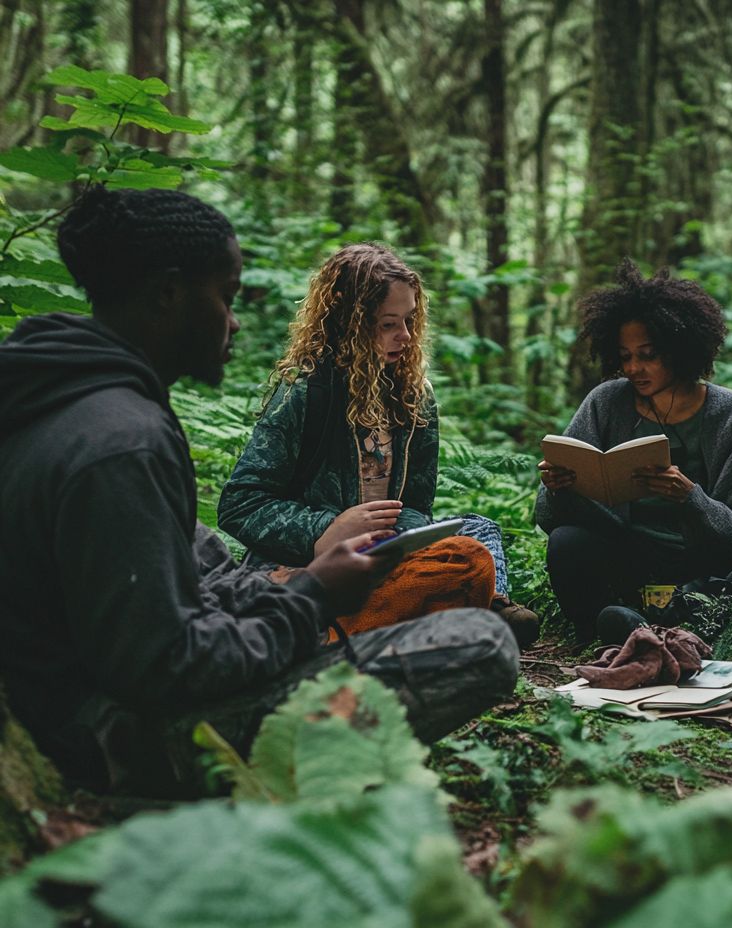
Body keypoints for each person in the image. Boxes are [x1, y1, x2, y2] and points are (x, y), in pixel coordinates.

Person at [0, 188, 518, 795]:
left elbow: (197, 578)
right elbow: (167, 666)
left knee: (469, 545)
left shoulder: (83, 406)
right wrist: (311, 598)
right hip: (116, 739)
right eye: (226, 296)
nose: (235, 320)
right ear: (168, 294)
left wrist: (303, 595)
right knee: (480, 645)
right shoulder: (120, 443)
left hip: (136, 686)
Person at [217, 243, 539, 648]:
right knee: (267, 582)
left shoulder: (414, 396)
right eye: (388, 324)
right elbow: (241, 504)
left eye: (408, 321)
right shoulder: (305, 393)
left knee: (477, 532)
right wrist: (325, 531)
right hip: (315, 560)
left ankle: (385, 619)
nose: (404, 336)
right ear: (349, 324)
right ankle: (442, 616)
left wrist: (395, 536)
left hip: (386, 554)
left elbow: (417, 506)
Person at [535, 259, 732, 643]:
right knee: (567, 543)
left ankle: (668, 621)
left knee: (725, 579)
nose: (633, 368)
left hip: (705, 560)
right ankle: (609, 625)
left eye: (648, 355)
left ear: (681, 349)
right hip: (630, 556)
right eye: (625, 356)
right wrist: (558, 486)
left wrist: (692, 498)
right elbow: (547, 518)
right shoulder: (606, 402)